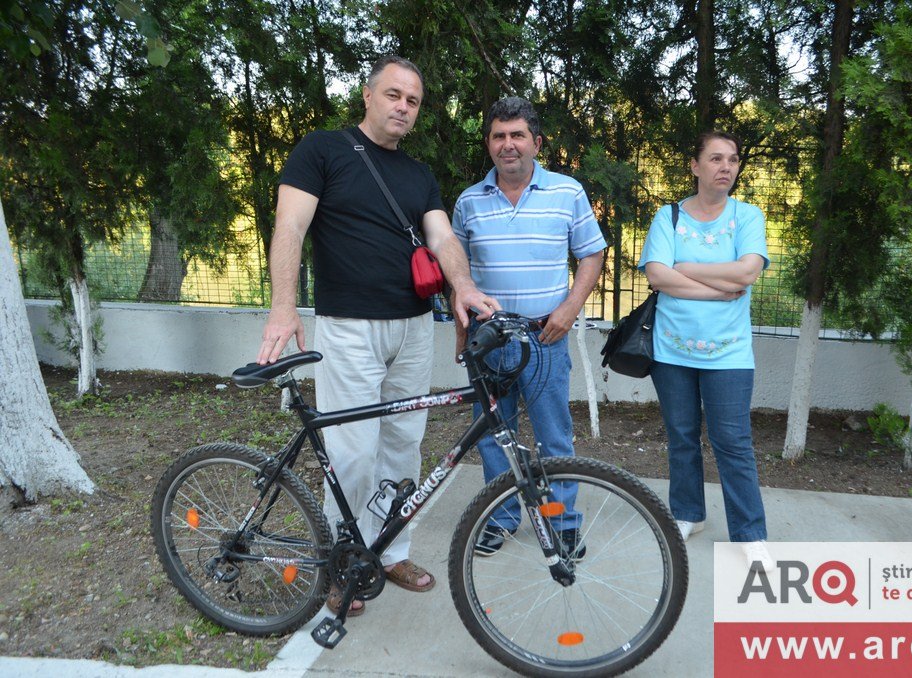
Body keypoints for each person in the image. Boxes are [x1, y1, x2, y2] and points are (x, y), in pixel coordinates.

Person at [256, 55, 500, 615]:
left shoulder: (418, 174)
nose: (403, 107)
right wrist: (283, 308)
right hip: (349, 328)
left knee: (402, 445)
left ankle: (391, 552)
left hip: (413, 328)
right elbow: (290, 226)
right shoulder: (322, 150)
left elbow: (442, 239)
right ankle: (340, 563)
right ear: (368, 96)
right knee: (353, 452)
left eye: (413, 101)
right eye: (393, 95)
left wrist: (463, 285)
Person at [451, 97, 606, 558]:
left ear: (536, 142)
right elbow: (457, 271)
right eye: (499, 136)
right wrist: (462, 331)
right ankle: (501, 519)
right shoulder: (468, 202)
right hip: (488, 340)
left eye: (517, 135)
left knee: (554, 438)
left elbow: (592, 254)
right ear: (488, 144)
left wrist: (570, 308)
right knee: (494, 437)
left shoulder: (567, 192)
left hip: (545, 337)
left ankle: (561, 522)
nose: (508, 144)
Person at [638, 130, 773, 569]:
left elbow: (747, 273)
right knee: (681, 437)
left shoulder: (747, 216)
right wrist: (718, 289)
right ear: (695, 166)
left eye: (732, 159)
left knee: (733, 442)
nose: (725, 167)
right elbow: (658, 276)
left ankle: (750, 534)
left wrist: (687, 267)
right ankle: (687, 514)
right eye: (715, 158)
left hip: (729, 354)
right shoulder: (669, 216)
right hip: (671, 351)